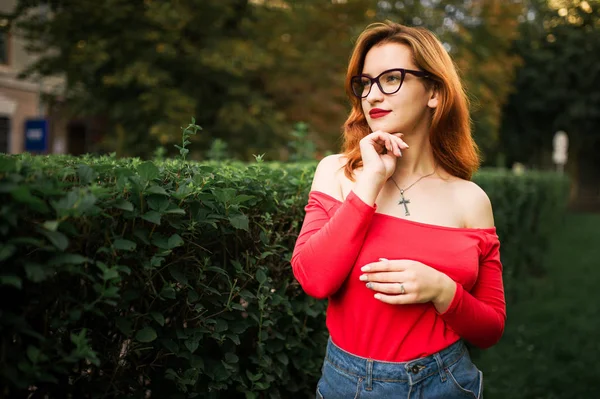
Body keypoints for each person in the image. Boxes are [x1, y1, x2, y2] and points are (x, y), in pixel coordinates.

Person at [291, 21, 505, 399]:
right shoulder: (337, 173)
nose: (373, 95)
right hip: (349, 385)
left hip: (448, 381)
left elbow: (490, 329)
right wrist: (371, 180)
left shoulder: (471, 199)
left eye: (392, 78)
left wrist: (442, 291)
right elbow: (314, 279)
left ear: (434, 92)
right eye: (365, 83)